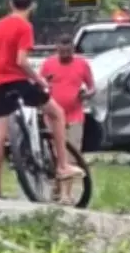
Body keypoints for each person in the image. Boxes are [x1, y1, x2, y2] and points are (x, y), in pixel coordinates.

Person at [0, 0, 84, 198]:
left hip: (1, 84)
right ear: (32, 5)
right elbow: (21, 61)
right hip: (19, 82)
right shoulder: (24, 26)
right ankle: (62, 166)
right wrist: (38, 79)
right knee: (57, 113)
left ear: (10, 3)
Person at [40, 33, 95, 204]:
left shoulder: (82, 64)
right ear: (57, 48)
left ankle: (66, 194)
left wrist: (86, 94)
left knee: (70, 156)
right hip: (53, 116)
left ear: (73, 49)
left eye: (68, 51)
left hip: (74, 115)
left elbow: (93, 87)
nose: (65, 55)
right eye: (61, 51)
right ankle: (57, 190)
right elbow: (40, 84)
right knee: (56, 155)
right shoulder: (48, 64)